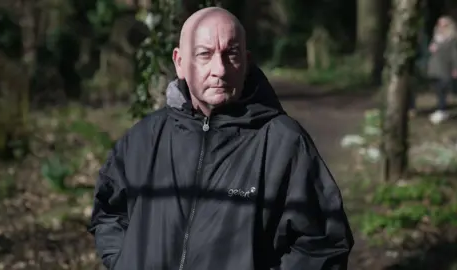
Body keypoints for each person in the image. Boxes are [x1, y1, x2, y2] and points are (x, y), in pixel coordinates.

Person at [88, 7, 354, 270]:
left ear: (247, 61)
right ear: (179, 62)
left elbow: (322, 244)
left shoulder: (283, 143)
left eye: (231, 54)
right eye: (205, 54)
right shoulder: (144, 140)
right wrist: (126, 261)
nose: (220, 69)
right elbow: (109, 213)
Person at [425, 15, 457, 124]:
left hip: (445, 67)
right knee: (438, 89)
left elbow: (455, 54)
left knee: (443, 88)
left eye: (444, 24)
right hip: (434, 67)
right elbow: (431, 50)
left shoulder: (452, 38)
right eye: (439, 24)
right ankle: (441, 109)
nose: (441, 26)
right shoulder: (436, 37)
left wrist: (455, 68)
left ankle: (442, 110)